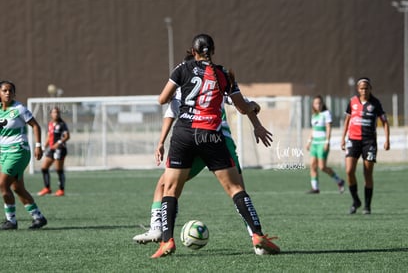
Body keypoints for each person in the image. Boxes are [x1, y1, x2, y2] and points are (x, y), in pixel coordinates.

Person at [150, 34, 280, 258]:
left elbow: (162, 100)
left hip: (184, 135)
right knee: (236, 189)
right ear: (213, 50)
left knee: (170, 189)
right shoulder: (224, 74)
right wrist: (254, 106)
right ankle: (257, 235)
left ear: (193, 51)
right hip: (211, 135)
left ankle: (167, 242)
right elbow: (242, 107)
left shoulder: (182, 68)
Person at [133, 88, 273, 250]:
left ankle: (159, 230)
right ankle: (257, 240)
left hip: (192, 140)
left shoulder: (185, 78)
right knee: (238, 191)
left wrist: (161, 142)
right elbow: (243, 104)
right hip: (217, 140)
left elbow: (167, 106)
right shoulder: (218, 77)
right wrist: (256, 120)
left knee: (166, 185)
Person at [0, 80, 48, 230]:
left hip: (18, 152)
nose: (8, 93)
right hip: (4, 153)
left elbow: (35, 125)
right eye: (4, 90)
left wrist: (38, 146)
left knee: (2, 184)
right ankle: (38, 217)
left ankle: (11, 221)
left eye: (10, 90)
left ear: (14, 93)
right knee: (17, 188)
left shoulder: (19, 108)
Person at [340, 77, 390, 214]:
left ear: (370, 89)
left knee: (367, 173)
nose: (364, 90)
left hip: (369, 142)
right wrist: (343, 138)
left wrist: (387, 140)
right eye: (361, 88)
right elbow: (347, 120)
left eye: (366, 88)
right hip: (353, 140)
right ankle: (356, 200)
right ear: (358, 89)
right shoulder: (352, 102)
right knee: (349, 171)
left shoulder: (375, 103)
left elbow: (385, 121)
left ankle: (367, 206)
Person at [305, 95, 345, 194]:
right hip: (314, 143)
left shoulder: (326, 114)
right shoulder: (314, 116)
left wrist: (327, 142)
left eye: (319, 103)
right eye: (316, 103)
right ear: (313, 105)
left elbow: (328, 128)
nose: (318, 105)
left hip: (322, 143)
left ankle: (339, 181)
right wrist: (309, 141)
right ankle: (315, 188)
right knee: (313, 166)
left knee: (322, 167)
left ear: (322, 104)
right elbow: (313, 129)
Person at [37, 106, 70, 197]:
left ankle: (61, 190)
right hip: (51, 149)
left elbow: (67, 136)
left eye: (58, 112)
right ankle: (47, 188)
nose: (56, 114)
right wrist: (43, 147)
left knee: (59, 169)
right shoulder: (50, 124)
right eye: (54, 112)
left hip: (60, 149)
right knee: (44, 168)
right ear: (51, 114)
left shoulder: (62, 124)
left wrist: (59, 142)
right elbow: (49, 137)